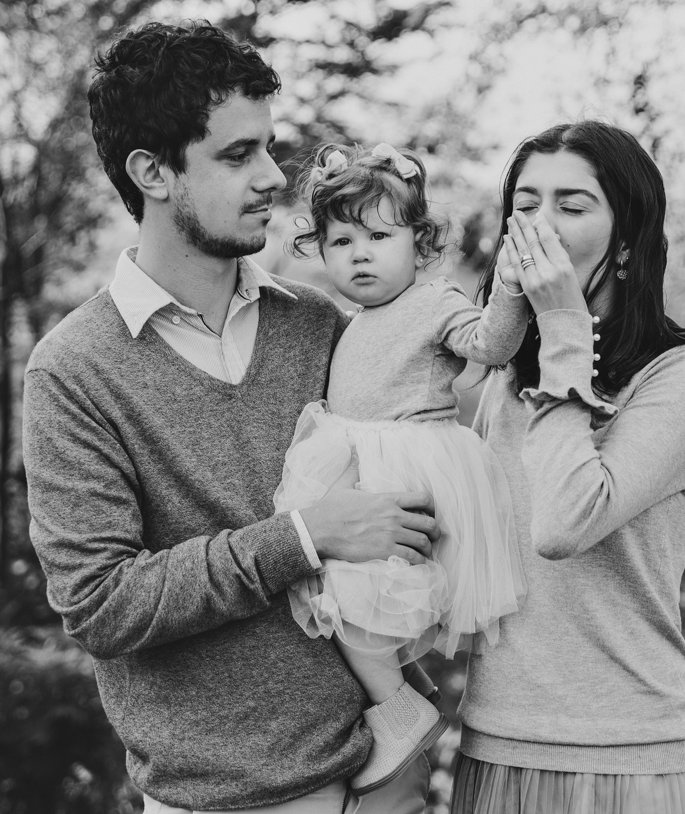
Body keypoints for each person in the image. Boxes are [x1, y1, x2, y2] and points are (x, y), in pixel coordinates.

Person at [22, 21, 441, 814]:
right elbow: (101, 603)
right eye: (237, 154)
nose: (273, 178)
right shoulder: (73, 370)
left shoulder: (318, 325)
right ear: (152, 171)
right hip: (219, 800)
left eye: (268, 148)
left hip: (381, 777)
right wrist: (302, 537)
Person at [450, 121, 685, 814]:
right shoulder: (505, 381)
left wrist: (564, 330)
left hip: (624, 760)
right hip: (492, 748)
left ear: (628, 243)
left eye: (571, 206)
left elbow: (563, 525)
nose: (540, 226)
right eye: (525, 205)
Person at [273, 143, 528, 795]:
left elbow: (491, 344)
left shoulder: (434, 302)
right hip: (359, 459)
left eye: (380, 237)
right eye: (342, 241)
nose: (360, 254)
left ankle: (399, 709)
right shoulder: (349, 318)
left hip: (408, 465)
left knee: (355, 590)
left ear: (420, 243)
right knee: (334, 583)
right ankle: (403, 693)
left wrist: (511, 286)